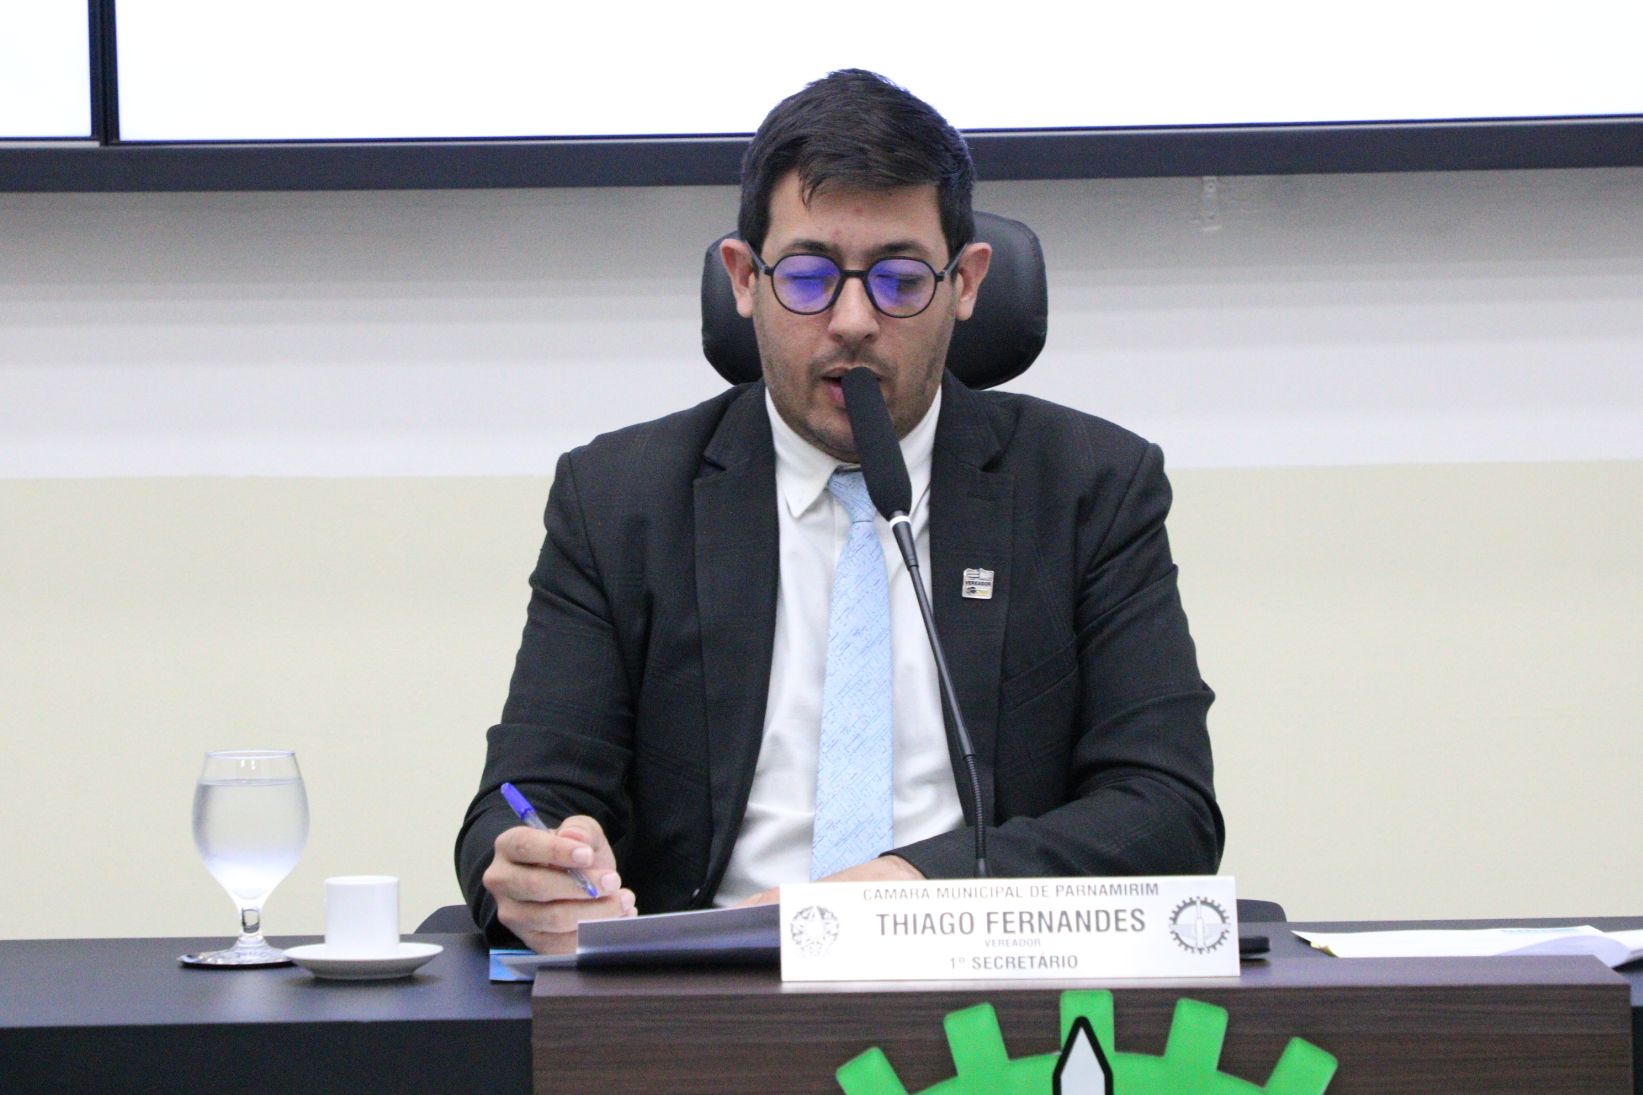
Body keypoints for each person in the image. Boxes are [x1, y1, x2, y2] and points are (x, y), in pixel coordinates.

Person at [456, 69, 1223, 952]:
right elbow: (522, 799)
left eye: (899, 279)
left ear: (966, 283)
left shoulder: (1089, 487)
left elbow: (1165, 810)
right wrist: (537, 870)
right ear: (742, 278)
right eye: (809, 276)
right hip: (707, 986)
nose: (853, 320)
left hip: (979, 975)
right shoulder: (620, 498)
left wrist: (902, 888)